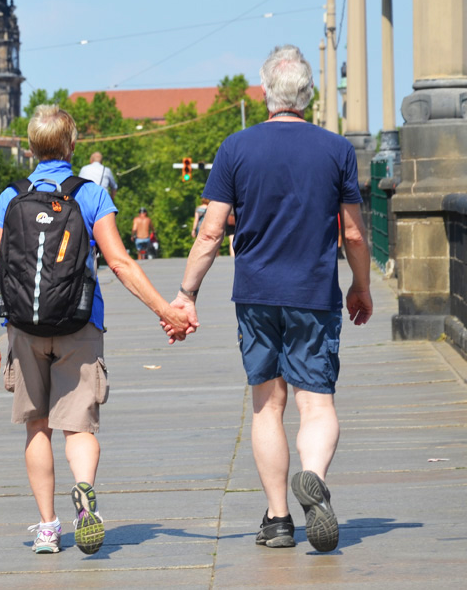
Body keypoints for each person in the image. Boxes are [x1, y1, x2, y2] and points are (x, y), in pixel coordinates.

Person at [167, 45, 372, 553]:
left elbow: (211, 232)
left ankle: (278, 519)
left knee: (267, 406)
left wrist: (186, 293)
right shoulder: (336, 150)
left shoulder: (236, 148)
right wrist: (361, 286)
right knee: (316, 402)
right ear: (308, 94)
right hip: (314, 292)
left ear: (265, 95)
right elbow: (353, 233)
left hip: (256, 294)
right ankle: (314, 478)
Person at [0, 104, 191, 556]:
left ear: (31, 148)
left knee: (37, 426)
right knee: (80, 427)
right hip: (80, 321)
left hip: (24, 325)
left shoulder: (9, 196)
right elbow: (119, 261)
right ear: (72, 147)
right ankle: (85, 498)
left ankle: (48, 528)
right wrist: (165, 311)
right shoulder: (90, 194)